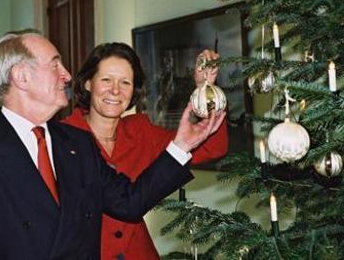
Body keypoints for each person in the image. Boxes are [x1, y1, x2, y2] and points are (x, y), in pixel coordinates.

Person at [0, 30, 225, 260]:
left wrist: (182, 143)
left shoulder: (77, 145)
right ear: (21, 76)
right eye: (55, 65)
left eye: (125, 83)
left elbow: (130, 202)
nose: (67, 75)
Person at [62, 42, 228, 259]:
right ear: (87, 84)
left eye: (125, 82)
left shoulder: (140, 132)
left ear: (133, 92)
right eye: (106, 80)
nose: (115, 90)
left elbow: (212, 148)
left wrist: (204, 90)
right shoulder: (62, 137)